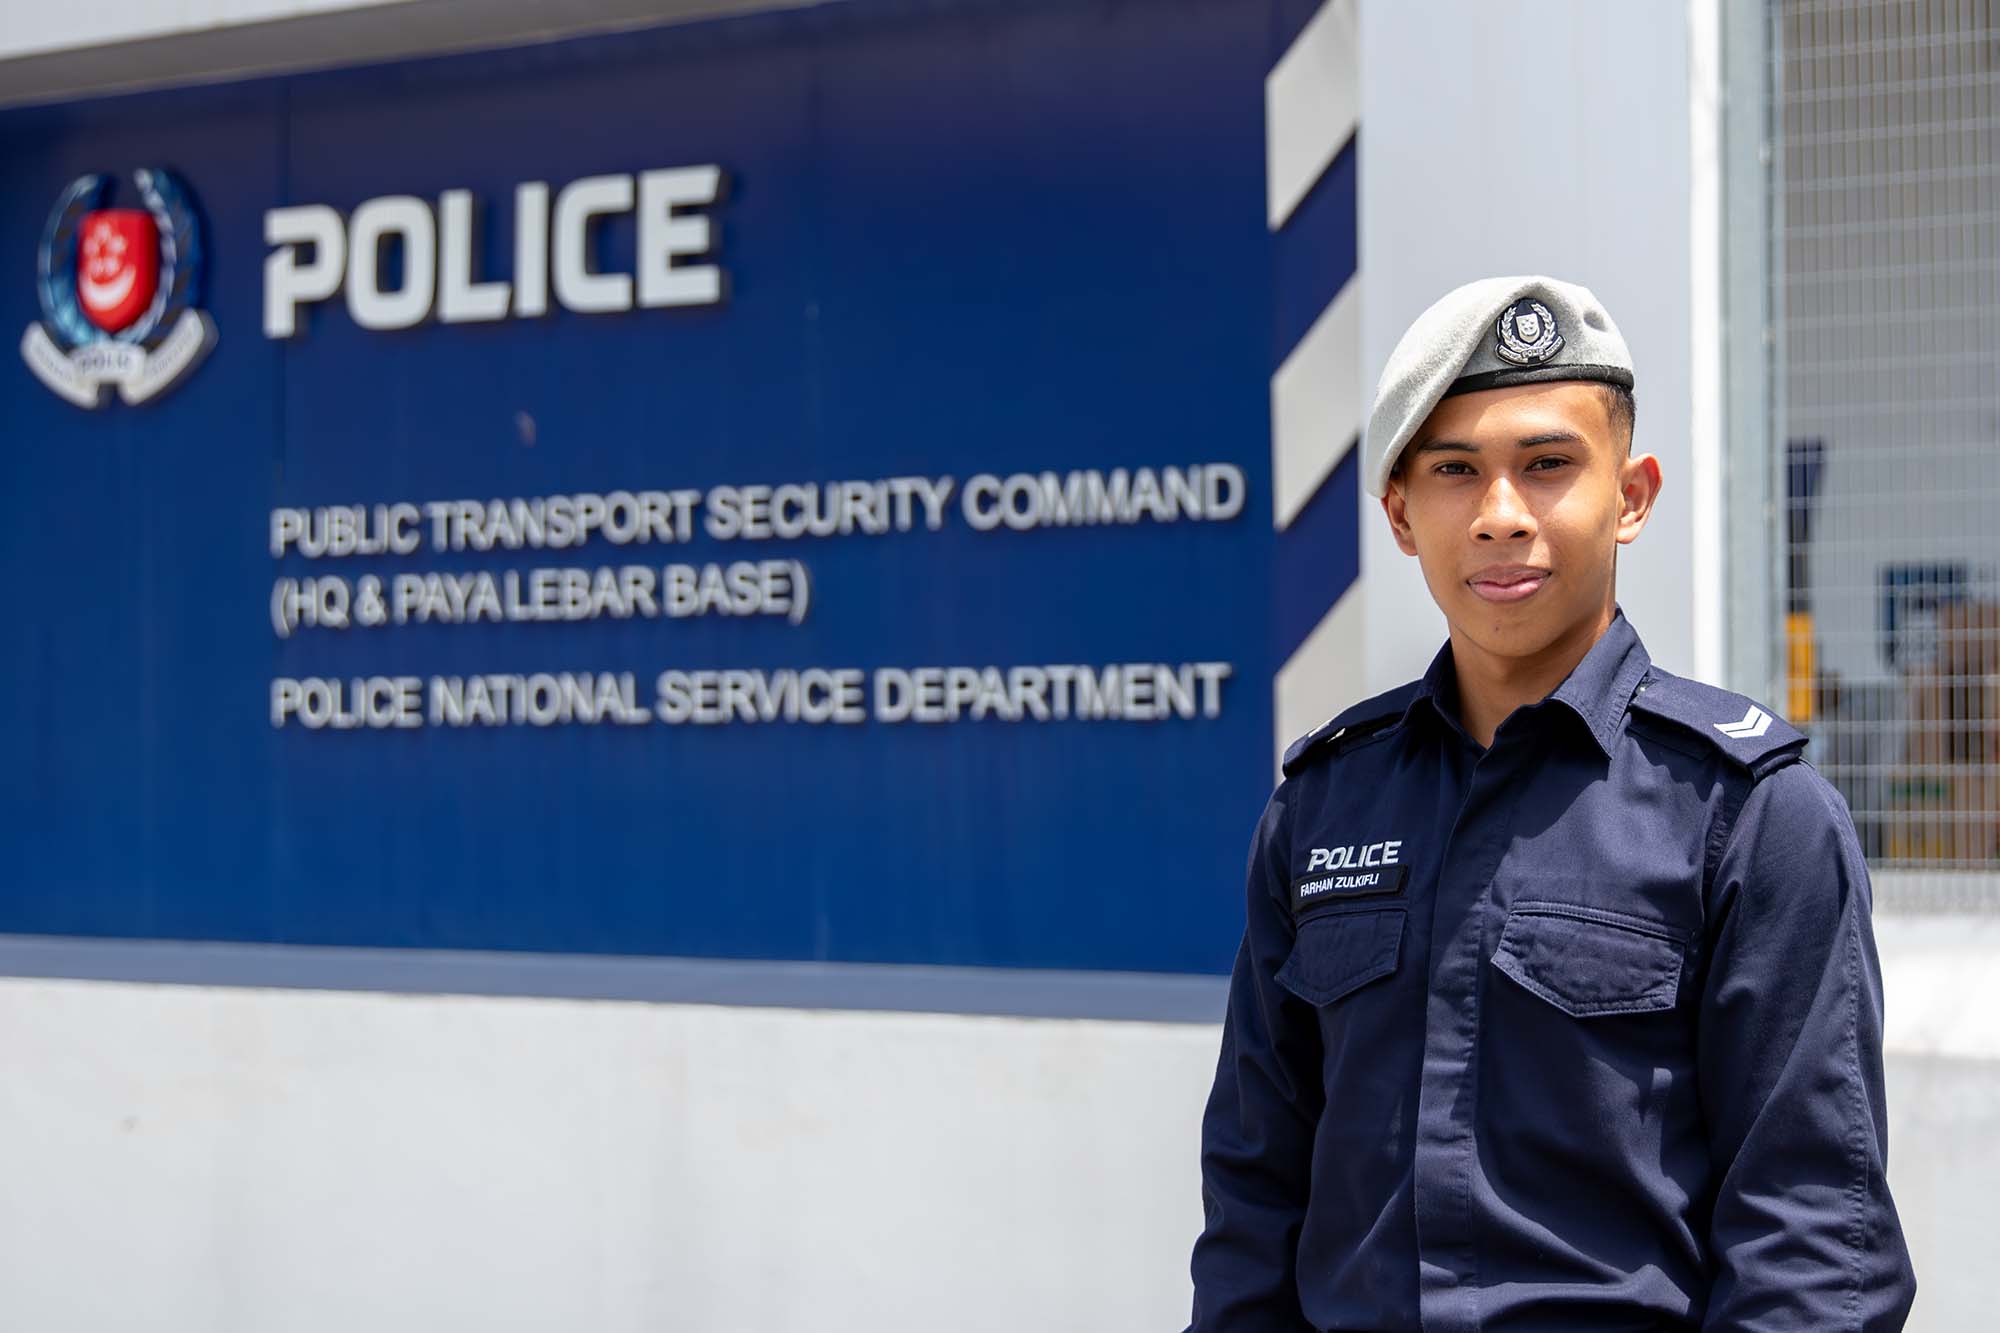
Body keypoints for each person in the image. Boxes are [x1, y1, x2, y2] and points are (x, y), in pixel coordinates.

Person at [1187, 276, 1915, 1331]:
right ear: (1399, 512)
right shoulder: (1321, 808)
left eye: (1546, 466)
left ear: (1629, 495)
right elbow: (1255, 1194)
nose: (1498, 515)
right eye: (1452, 471)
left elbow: (1812, 1237)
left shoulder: (1747, 815)